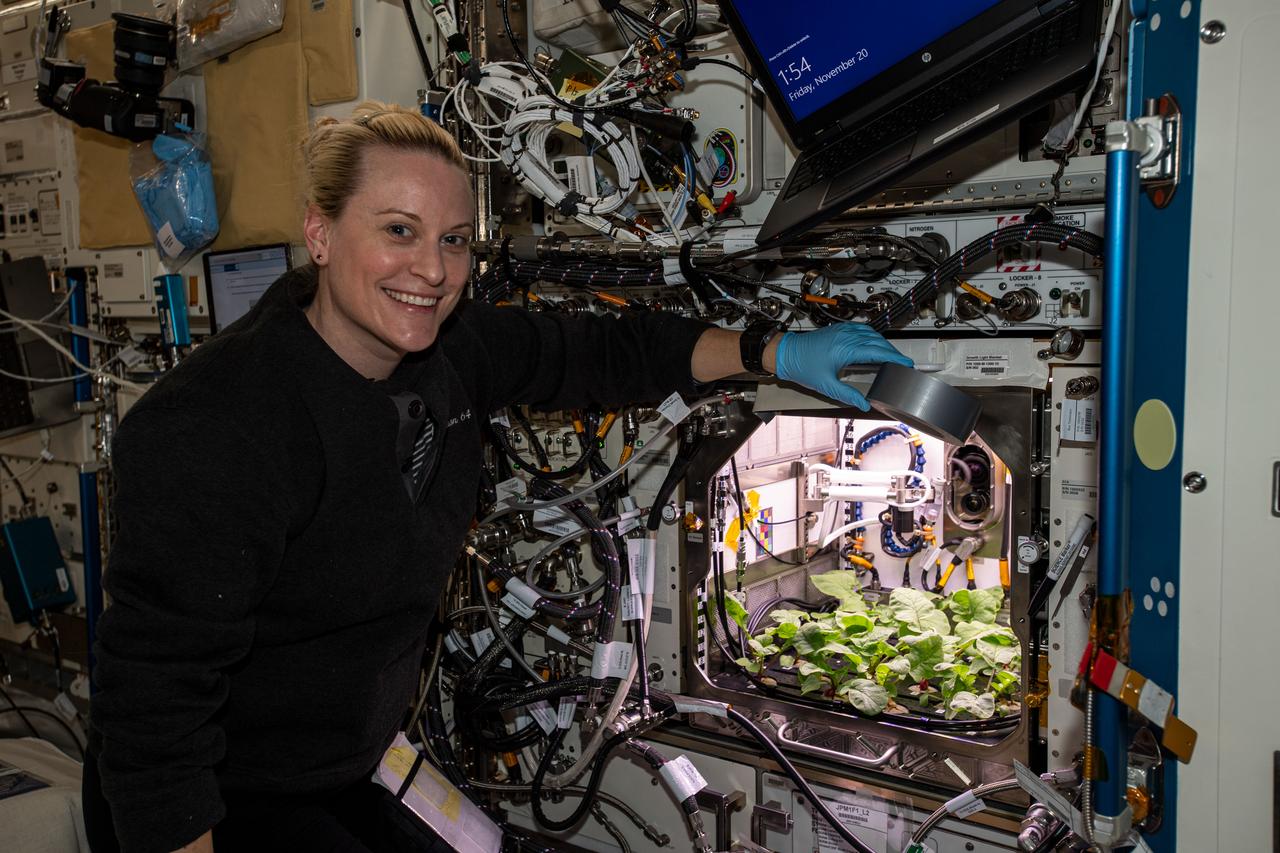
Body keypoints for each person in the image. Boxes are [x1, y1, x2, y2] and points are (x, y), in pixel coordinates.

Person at [81, 101, 911, 853]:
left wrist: (773, 350)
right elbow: (155, 714)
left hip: (350, 760)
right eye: (398, 231)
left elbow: (597, 352)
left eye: (452, 240)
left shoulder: (450, 348)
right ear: (320, 233)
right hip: (219, 796)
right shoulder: (217, 426)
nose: (435, 271)